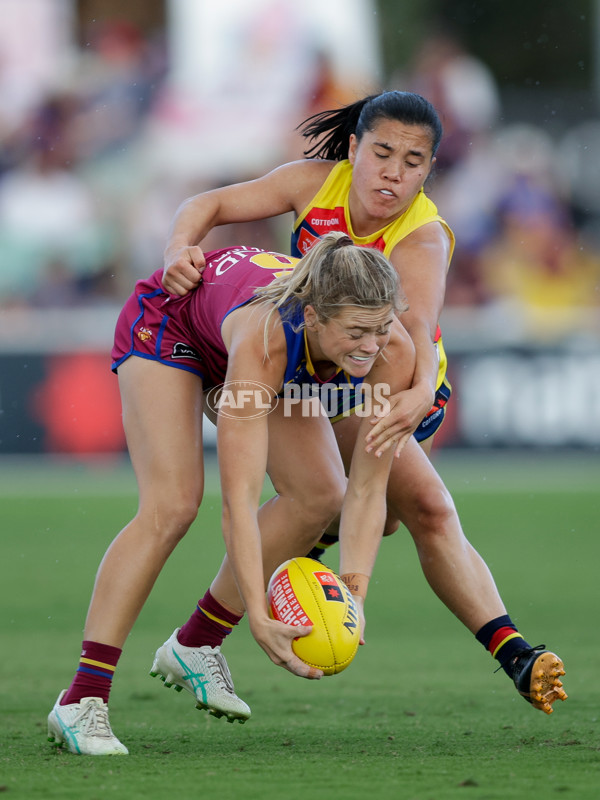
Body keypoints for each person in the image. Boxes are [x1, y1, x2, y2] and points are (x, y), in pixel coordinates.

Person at [157, 91, 567, 718]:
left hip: (394, 380)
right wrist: (179, 247)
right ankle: (515, 653)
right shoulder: (314, 183)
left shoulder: (422, 237)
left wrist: (420, 392)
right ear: (354, 148)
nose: (393, 173)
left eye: (412, 162)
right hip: (319, 373)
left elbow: (414, 331)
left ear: (429, 170)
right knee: (417, 506)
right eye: (382, 153)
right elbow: (206, 204)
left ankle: (298, 560)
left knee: (384, 515)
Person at [47, 232, 415, 756]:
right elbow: (239, 502)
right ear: (313, 317)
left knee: (321, 495)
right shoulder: (267, 341)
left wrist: (355, 592)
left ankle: (197, 643)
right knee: (172, 506)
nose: (371, 346)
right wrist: (258, 621)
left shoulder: (391, 349)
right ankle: (82, 698)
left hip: (238, 338)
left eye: (380, 328)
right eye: (356, 332)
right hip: (171, 327)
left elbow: (368, 488)